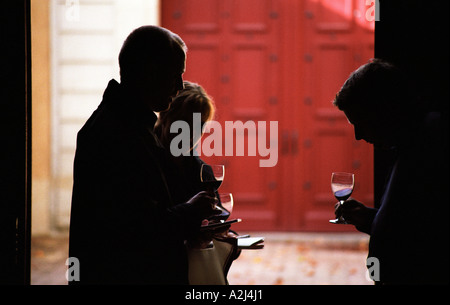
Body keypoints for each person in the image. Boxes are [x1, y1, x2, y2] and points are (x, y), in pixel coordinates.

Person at [68, 26, 219, 284]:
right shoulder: (117, 134)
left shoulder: (130, 125)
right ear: (149, 72)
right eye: (175, 75)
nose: (180, 85)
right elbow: (133, 232)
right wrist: (190, 211)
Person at [332, 58, 449, 284]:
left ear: (383, 109)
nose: (358, 136)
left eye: (361, 122)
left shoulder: (431, 146)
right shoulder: (412, 144)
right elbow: (410, 222)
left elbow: (430, 235)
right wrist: (370, 218)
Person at [155, 81, 241, 284]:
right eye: (184, 124)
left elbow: (217, 224)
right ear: (166, 116)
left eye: (199, 126)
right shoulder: (146, 161)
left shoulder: (202, 171)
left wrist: (225, 235)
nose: (192, 133)